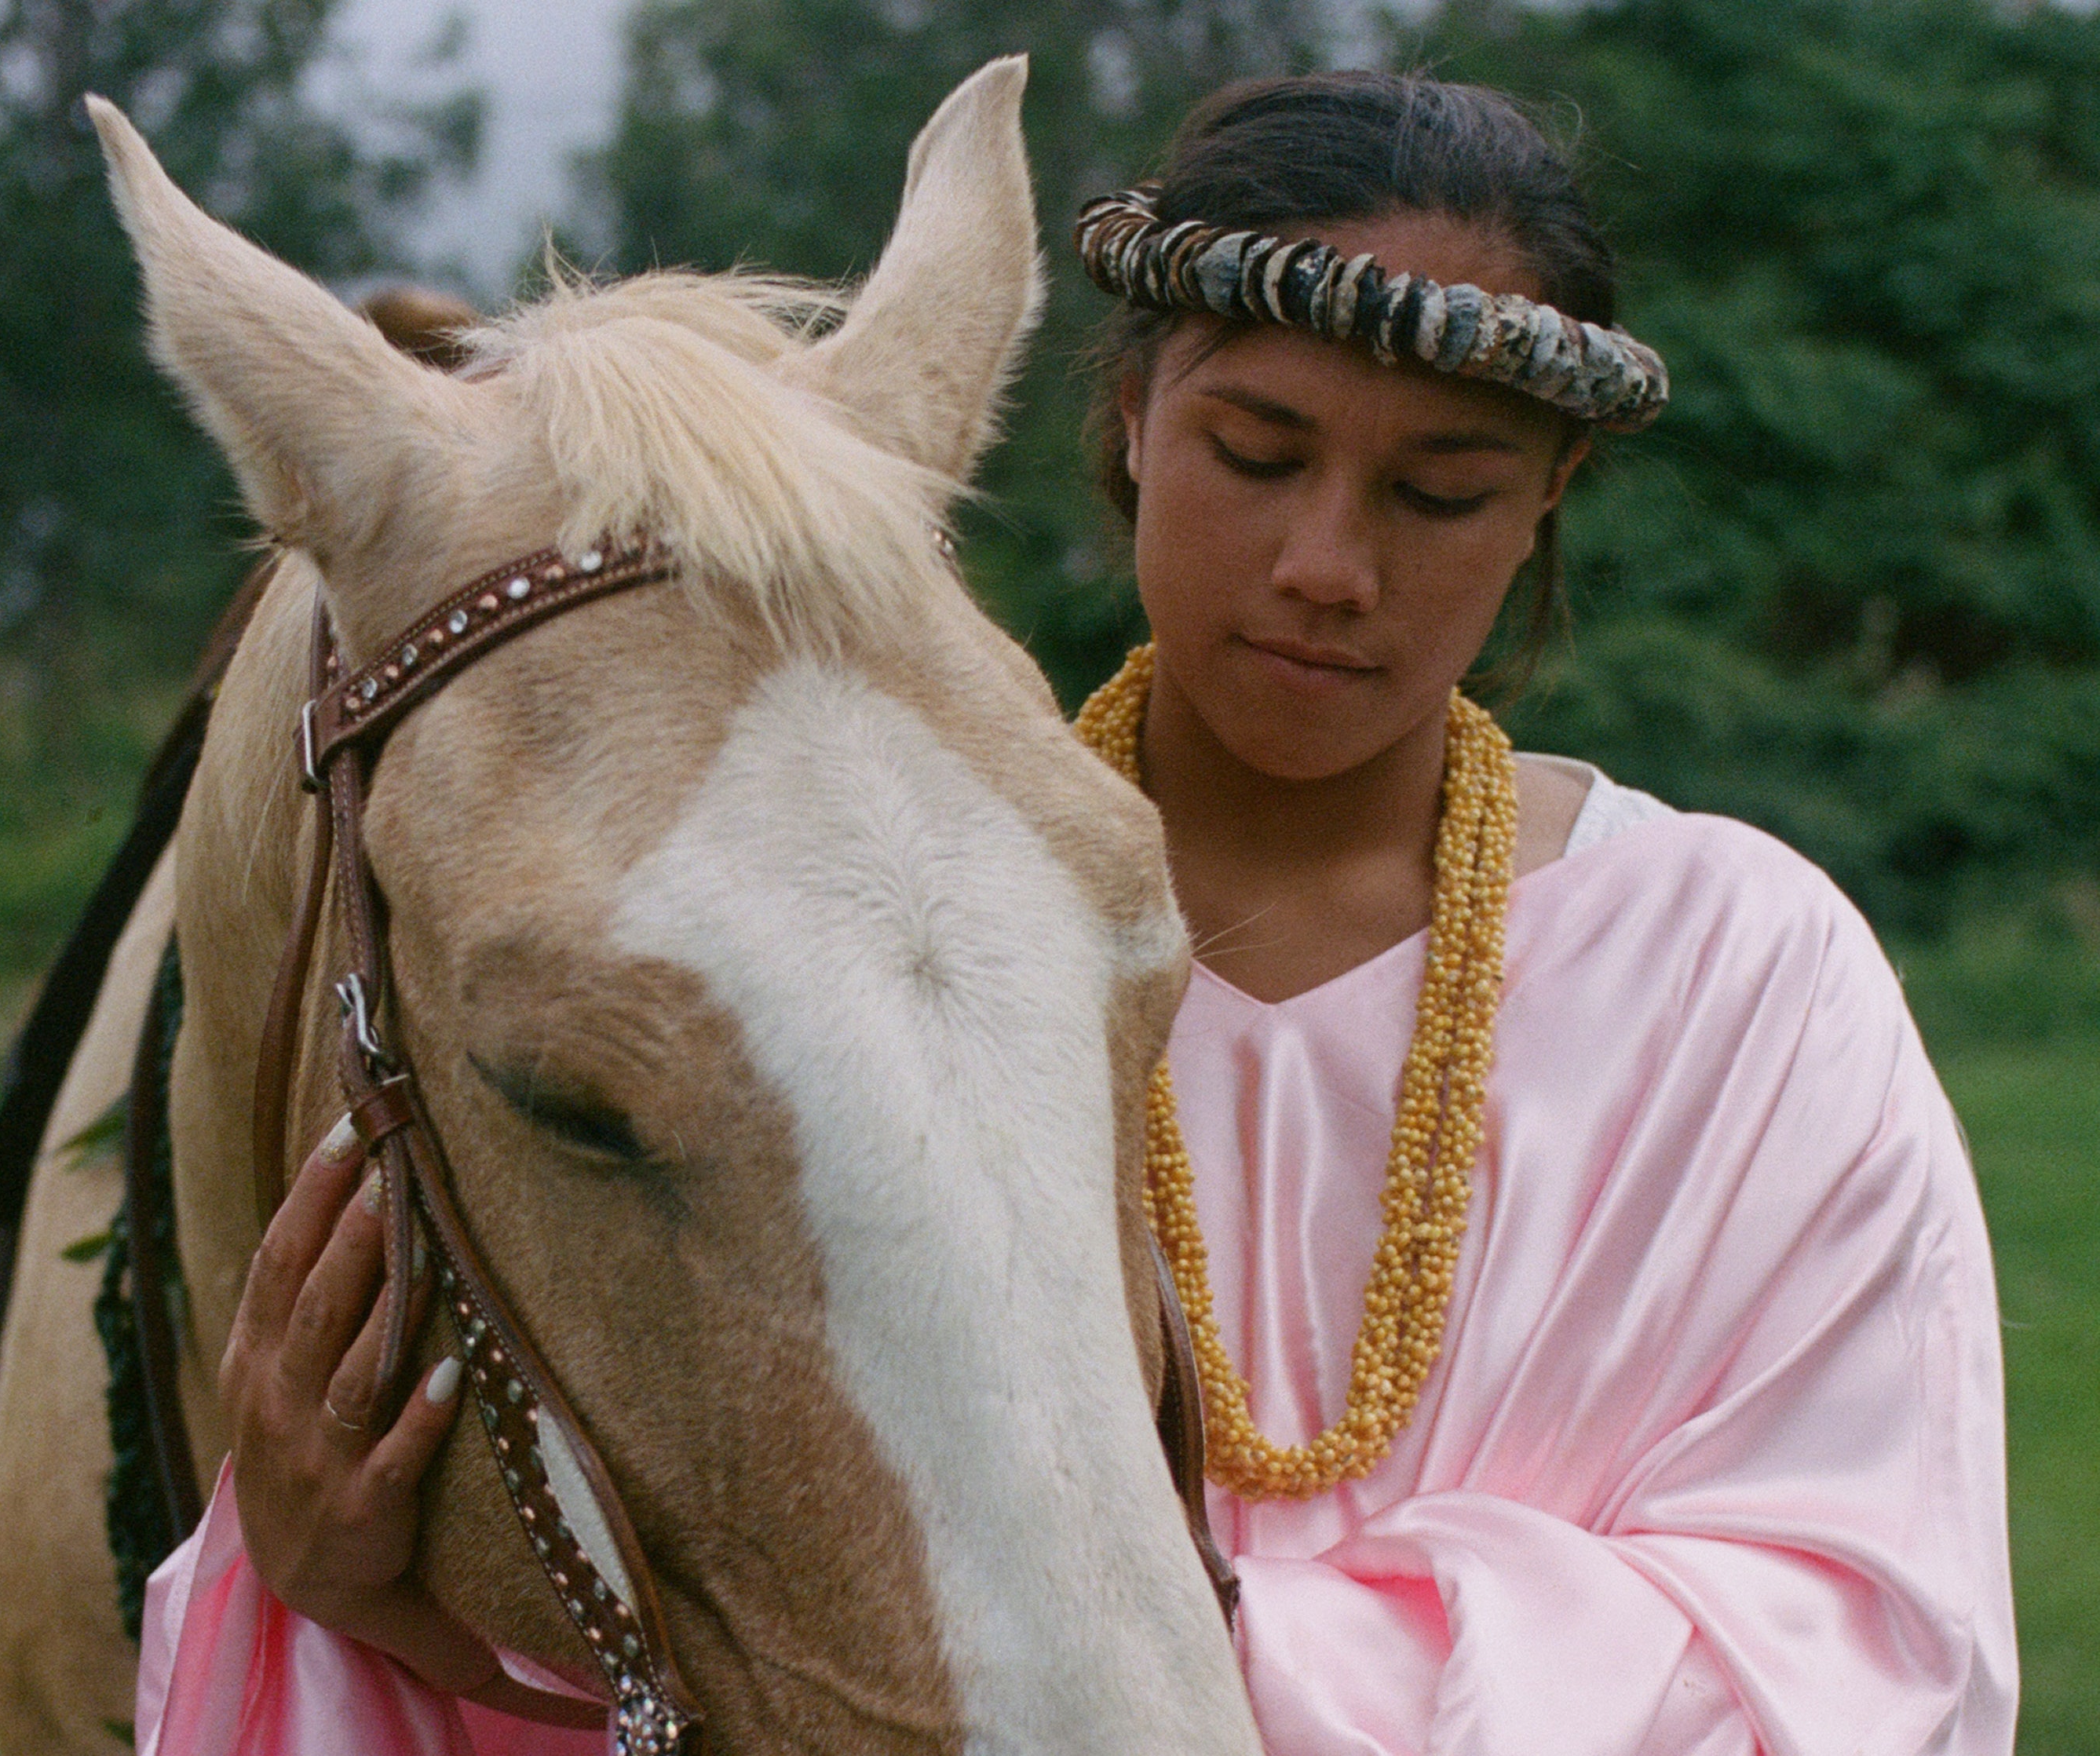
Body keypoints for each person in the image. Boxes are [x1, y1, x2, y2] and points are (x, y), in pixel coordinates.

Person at [141, 71, 2016, 1754]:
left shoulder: (1744, 982)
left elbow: (1862, 1638)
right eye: (1255, 455)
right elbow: (734, 1543)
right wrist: (381, 1589)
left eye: (1443, 492)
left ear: (1549, 503)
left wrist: (1154, 1675)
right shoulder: (854, 945)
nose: (1325, 567)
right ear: (1126, 422)